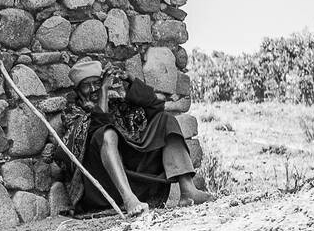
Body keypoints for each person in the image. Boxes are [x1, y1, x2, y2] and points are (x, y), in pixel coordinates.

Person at [46, 58, 212, 217]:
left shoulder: (118, 104)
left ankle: (187, 190)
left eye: (96, 83)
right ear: (78, 91)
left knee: (166, 119)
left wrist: (130, 79)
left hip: (135, 175)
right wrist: (104, 89)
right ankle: (129, 199)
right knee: (106, 133)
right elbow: (98, 125)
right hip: (103, 186)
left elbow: (155, 105)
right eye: (86, 86)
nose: (93, 89)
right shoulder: (73, 112)